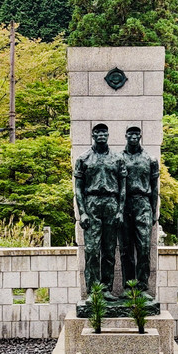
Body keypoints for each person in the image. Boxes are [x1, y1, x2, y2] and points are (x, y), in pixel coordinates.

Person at [74, 124, 125, 294]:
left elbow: (122, 187)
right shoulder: (83, 159)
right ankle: (93, 291)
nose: (101, 135)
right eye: (98, 132)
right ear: (93, 135)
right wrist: (82, 212)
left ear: (108, 135)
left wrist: (120, 210)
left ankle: (106, 290)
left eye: (104, 132)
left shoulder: (117, 159)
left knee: (109, 251)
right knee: (92, 250)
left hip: (111, 203)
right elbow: (78, 189)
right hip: (92, 203)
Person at [120, 126, 159, 294]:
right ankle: (129, 287)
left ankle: (142, 287)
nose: (134, 136)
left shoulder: (150, 159)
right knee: (125, 249)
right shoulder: (119, 158)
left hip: (143, 204)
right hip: (125, 203)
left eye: (137, 134)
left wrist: (154, 211)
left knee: (143, 248)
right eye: (131, 134)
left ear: (141, 136)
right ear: (126, 136)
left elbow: (155, 188)